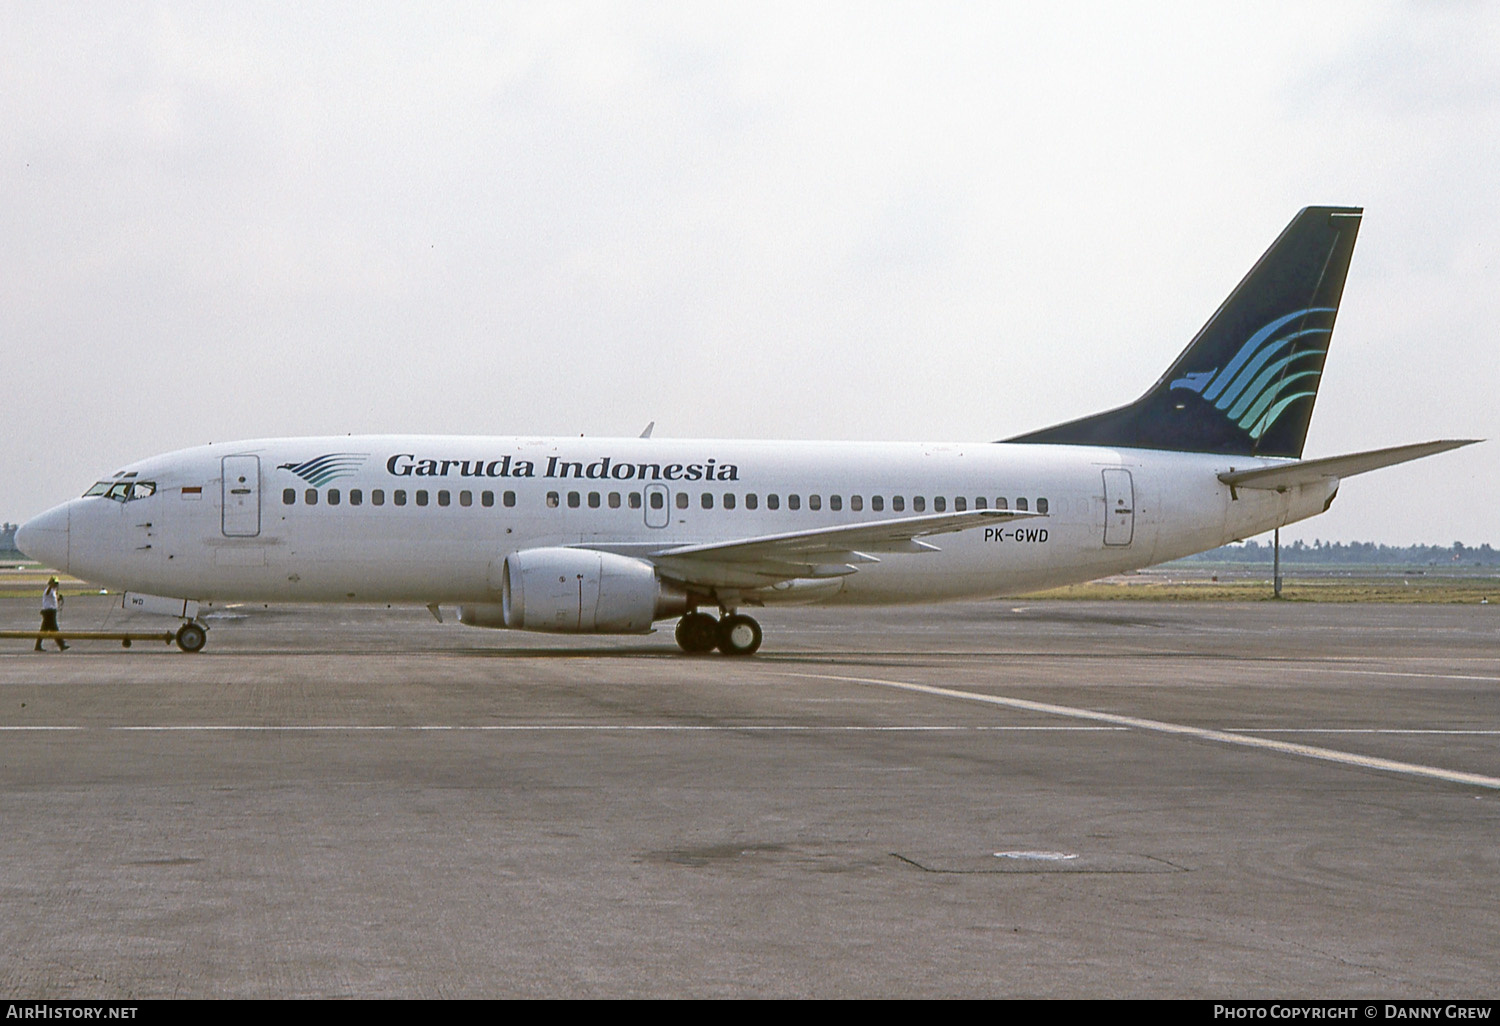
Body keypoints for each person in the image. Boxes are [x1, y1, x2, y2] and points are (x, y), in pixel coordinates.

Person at [36, 577, 67, 652]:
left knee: (45, 630)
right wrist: (51, 584)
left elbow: (53, 600)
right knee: (54, 629)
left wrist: (59, 598)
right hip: (48, 612)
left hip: (52, 612)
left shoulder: (53, 591)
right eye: (55, 583)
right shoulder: (48, 590)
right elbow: (47, 593)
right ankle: (61, 645)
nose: (56, 585)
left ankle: (38, 646)